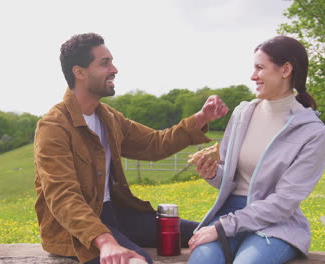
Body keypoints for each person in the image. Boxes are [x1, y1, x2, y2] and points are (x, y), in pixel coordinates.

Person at [34, 32, 229, 264]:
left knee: (207, 233)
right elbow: (62, 196)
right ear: (80, 72)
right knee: (136, 260)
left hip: (117, 214)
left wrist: (200, 118)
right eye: (105, 63)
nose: (114, 69)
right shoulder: (54, 126)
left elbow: (154, 144)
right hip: (77, 229)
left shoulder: (109, 117)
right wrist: (106, 242)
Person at [187, 36, 325, 264]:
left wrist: (223, 227)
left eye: (260, 68)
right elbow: (229, 179)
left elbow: (284, 202)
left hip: (277, 223)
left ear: (285, 70)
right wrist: (213, 174)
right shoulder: (242, 114)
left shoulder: (313, 133)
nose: (253, 76)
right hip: (230, 213)